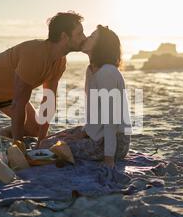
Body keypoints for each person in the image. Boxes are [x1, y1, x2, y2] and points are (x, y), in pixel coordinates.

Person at [0, 12, 86, 152]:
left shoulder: (60, 61)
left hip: (7, 93)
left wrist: (41, 141)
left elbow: (48, 101)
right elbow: (18, 105)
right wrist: (19, 147)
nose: (84, 38)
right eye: (79, 34)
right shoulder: (35, 55)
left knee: (35, 129)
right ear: (64, 37)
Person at [39, 25, 132, 168]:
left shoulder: (107, 72)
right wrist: (83, 133)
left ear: (101, 46)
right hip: (98, 133)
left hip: (114, 143)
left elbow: (111, 120)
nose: (87, 38)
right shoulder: (91, 70)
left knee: (47, 146)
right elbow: (96, 113)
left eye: (92, 37)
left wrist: (109, 159)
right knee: (47, 141)